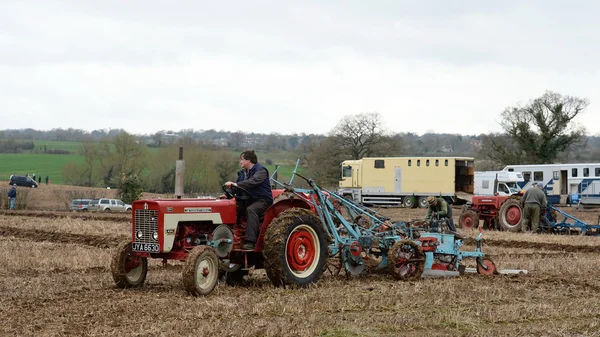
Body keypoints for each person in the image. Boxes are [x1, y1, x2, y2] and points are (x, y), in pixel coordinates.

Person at [224, 150, 273, 250]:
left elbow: (253, 182)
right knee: (233, 208)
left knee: (251, 210)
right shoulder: (243, 174)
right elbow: (237, 187)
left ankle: (251, 242)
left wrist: (236, 184)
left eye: (242, 159)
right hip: (248, 200)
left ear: (249, 160)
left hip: (262, 200)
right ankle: (232, 233)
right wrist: (226, 195)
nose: (240, 162)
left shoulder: (261, 171)